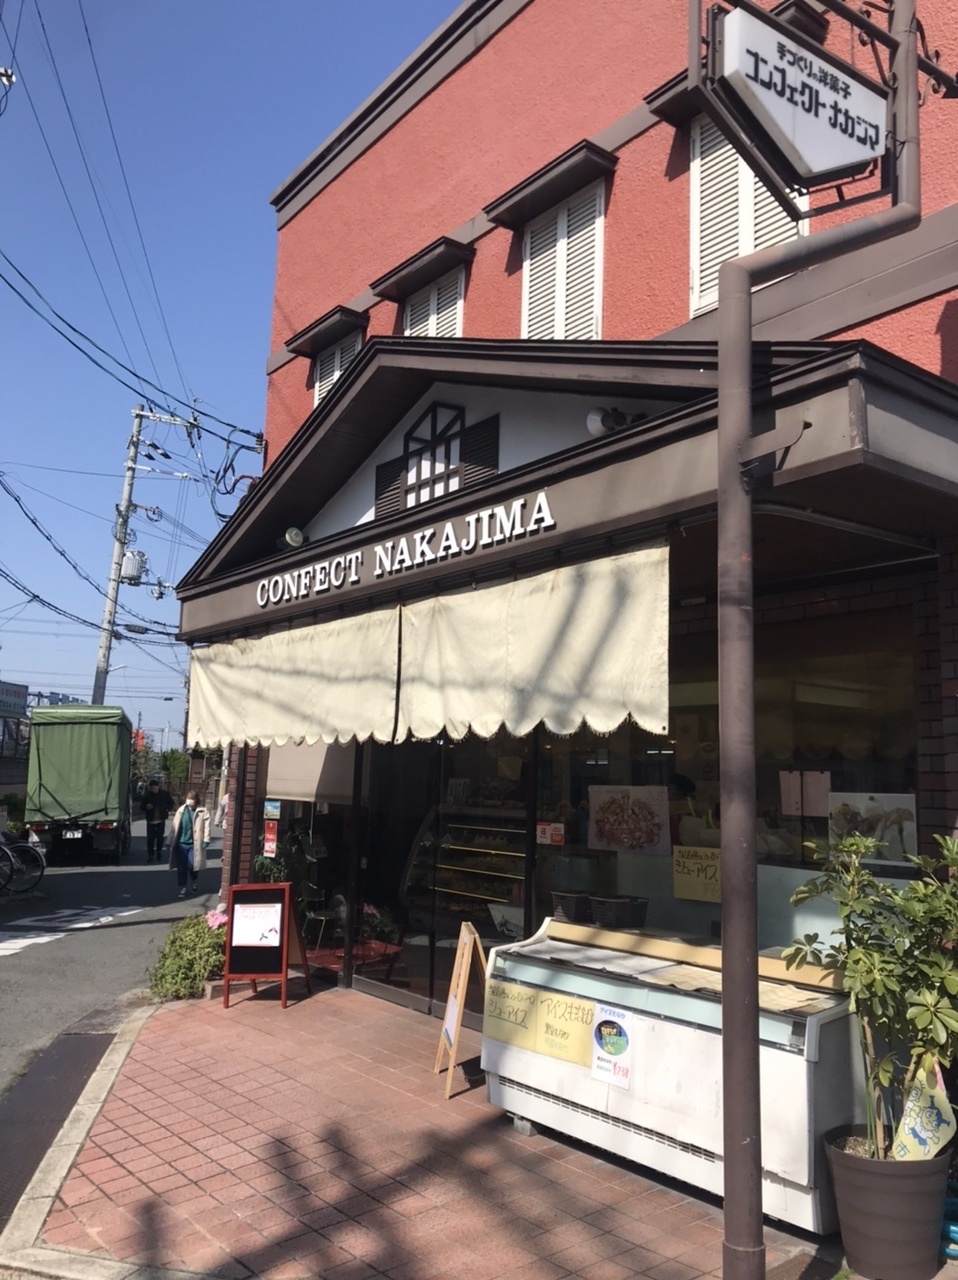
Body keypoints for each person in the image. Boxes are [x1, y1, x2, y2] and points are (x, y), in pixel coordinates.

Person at [167, 790, 210, 899]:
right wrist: (169, 840)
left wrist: (206, 840)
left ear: (196, 800)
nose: (189, 801)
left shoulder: (202, 811)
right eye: (188, 798)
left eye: (192, 799)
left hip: (194, 844)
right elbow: (174, 827)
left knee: (192, 866)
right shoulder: (181, 810)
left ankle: (194, 880)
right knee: (181, 868)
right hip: (181, 844)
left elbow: (207, 827)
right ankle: (182, 887)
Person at [141, 779, 173, 865]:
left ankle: (159, 852)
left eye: (155, 788)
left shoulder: (164, 794)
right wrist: (146, 806)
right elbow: (142, 806)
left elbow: (171, 803)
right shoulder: (147, 796)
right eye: (152, 788)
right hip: (150, 820)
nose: (153, 790)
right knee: (150, 838)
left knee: (160, 837)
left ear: (158, 787)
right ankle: (150, 855)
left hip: (160, 819)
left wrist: (167, 809)